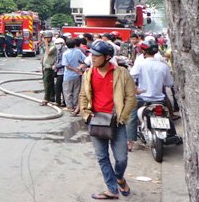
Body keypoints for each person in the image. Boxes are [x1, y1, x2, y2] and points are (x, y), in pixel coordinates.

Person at [79, 40, 136, 200]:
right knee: (102, 157)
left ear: (107, 57)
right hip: (96, 121)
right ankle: (112, 189)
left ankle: (119, 178)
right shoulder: (88, 74)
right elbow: (83, 95)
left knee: (121, 158)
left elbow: (131, 97)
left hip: (116, 122)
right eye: (91, 55)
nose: (92, 58)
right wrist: (86, 114)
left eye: (96, 56)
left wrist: (122, 116)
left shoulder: (121, 73)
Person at [127, 40, 180, 151]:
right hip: (160, 99)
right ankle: (174, 136)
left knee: (132, 116)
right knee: (167, 116)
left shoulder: (140, 64)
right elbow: (169, 83)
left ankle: (130, 142)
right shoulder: (163, 66)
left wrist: (136, 90)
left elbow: (130, 78)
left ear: (144, 51)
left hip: (143, 98)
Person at [62, 38, 86, 115]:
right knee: (76, 91)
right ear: (75, 44)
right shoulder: (78, 51)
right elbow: (85, 60)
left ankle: (69, 106)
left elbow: (66, 65)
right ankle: (75, 106)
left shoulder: (65, 53)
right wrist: (78, 68)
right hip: (78, 75)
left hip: (68, 75)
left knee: (67, 91)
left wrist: (73, 69)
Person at [40, 31, 57, 105]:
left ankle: (46, 98)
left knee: (47, 82)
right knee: (50, 82)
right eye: (44, 38)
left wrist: (46, 44)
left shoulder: (53, 45)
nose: (45, 39)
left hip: (50, 66)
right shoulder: (47, 45)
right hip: (46, 66)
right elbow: (45, 54)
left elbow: (48, 52)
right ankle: (52, 97)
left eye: (46, 38)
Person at [53, 38, 67, 107]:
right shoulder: (59, 50)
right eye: (56, 44)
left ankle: (62, 102)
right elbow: (57, 59)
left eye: (58, 44)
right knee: (58, 87)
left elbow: (63, 62)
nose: (57, 45)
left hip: (63, 72)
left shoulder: (65, 51)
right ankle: (59, 101)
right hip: (59, 72)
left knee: (60, 87)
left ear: (62, 44)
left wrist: (56, 66)